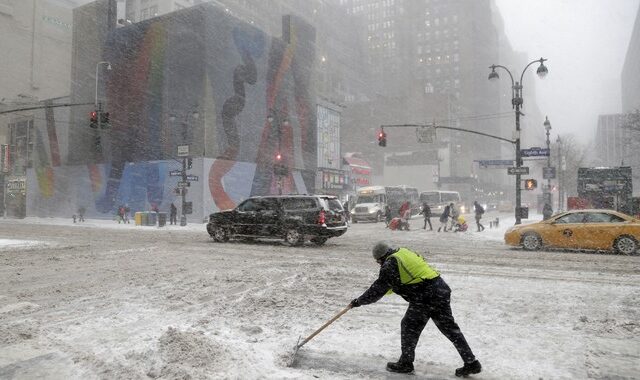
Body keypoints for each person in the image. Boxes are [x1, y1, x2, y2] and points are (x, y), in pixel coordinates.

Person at [350, 242, 481, 377]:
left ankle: (405, 363)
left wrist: (359, 301)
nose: (378, 264)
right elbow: (393, 284)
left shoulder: (390, 264)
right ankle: (471, 362)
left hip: (425, 295)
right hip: (440, 289)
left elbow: (378, 289)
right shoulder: (403, 252)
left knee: (409, 326)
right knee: (450, 328)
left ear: (381, 257)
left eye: (378, 261)